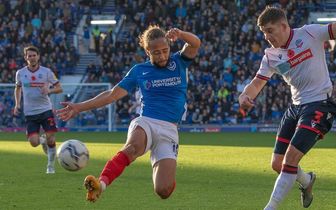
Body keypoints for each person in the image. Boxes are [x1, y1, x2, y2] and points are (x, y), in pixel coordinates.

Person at [56, 25, 201, 202]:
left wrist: (181, 34)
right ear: (148, 51)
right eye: (157, 53)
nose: (162, 56)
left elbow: (195, 43)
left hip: (170, 130)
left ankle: (163, 169)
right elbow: (112, 95)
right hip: (146, 121)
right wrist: (79, 107)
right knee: (132, 148)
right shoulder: (139, 70)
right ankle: (100, 185)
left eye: (165, 50)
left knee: (164, 190)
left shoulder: (179, 61)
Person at [238, 1, 336, 209]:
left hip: (319, 104)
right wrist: (245, 95)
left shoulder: (310, 33)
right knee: (277, 164)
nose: (267, 37)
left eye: (270, 31)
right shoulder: (270, 56)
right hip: (295, 107)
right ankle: (307, 180)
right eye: (264, 33)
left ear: (284, 26)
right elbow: (257, 83)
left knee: (290, 160)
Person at [14, 45, 63, 174]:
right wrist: (17, 104)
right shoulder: (20, 73)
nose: (32, 58)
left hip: (46, 110)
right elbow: (18, 88)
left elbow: (59, 88)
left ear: (38, 56)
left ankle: (50, 166)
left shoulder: (46, 72)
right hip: (30, 112)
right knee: (33, 142)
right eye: (29, 56)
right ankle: (42, 141)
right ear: (25, 58)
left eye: (34, 55)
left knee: (51, 139)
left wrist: (50, 90)